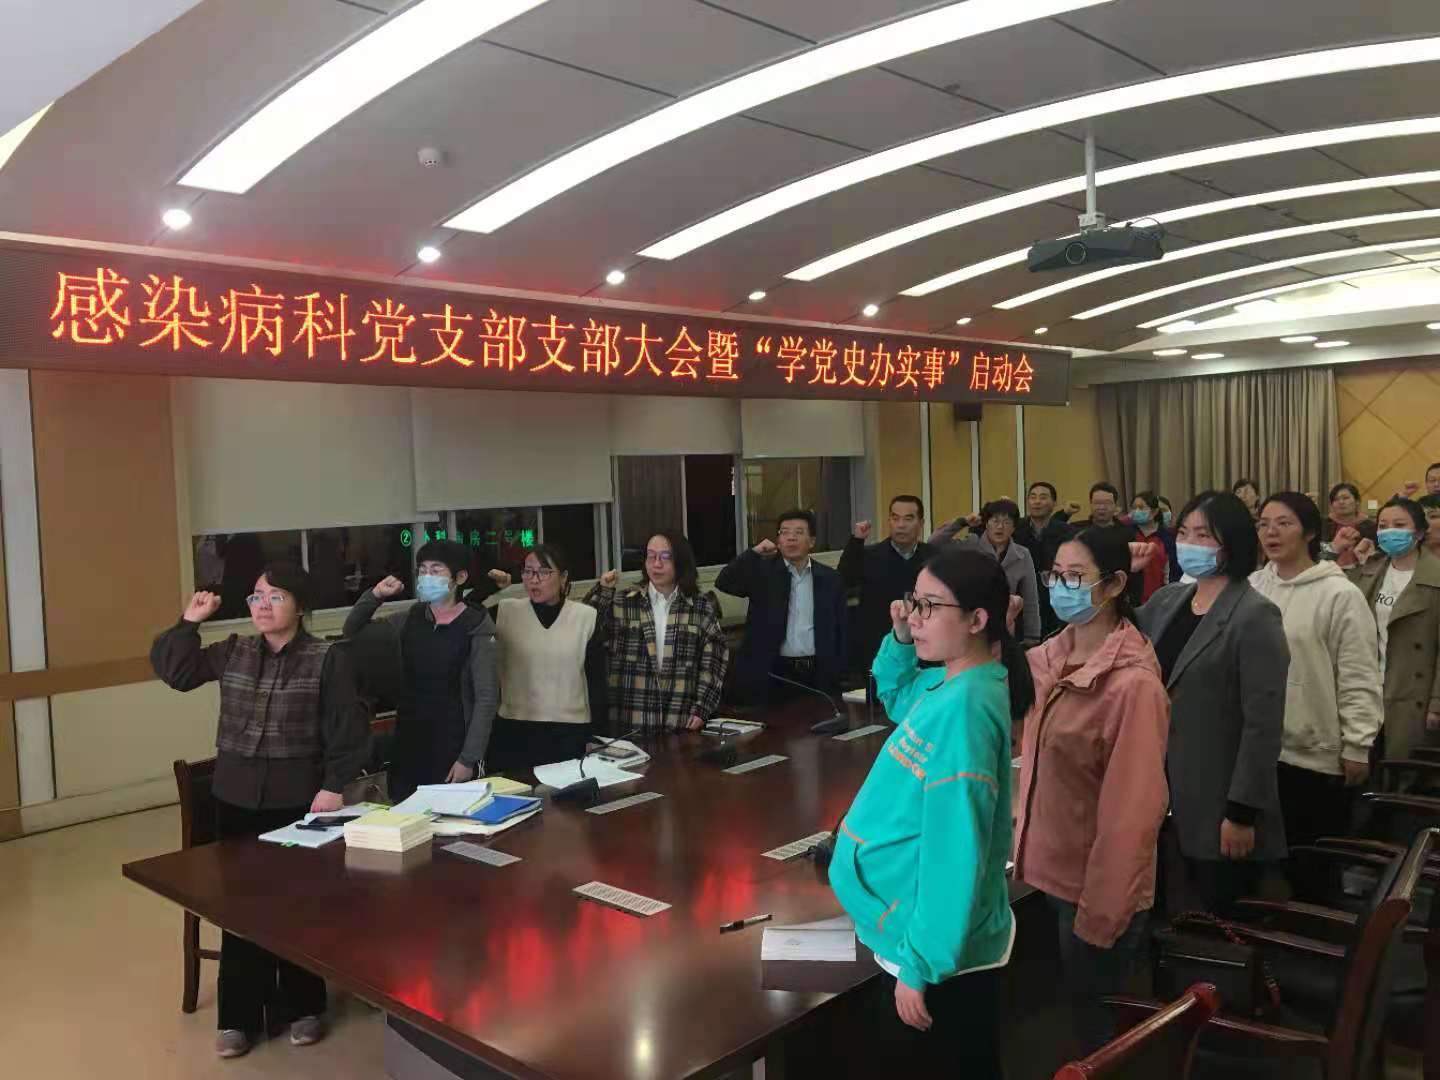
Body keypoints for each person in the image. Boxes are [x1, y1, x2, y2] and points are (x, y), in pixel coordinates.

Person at [150, 563, 371, 1059]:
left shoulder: (327, 658)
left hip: (298, 800)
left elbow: (349, 728)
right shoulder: (234, 650)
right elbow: (176, 673)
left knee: (297, 904)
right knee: (240, 906)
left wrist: (334, 785)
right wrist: (189, 622)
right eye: (255, 596)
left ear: (300, 605)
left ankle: (304, 1005)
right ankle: (238, 1016)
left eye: (275, 596)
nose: (262, 606)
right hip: (235, 797)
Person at [828, 548, 1034, 1075]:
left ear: (977, 620)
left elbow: (954, 852)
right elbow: (896, 695)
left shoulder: (967, 711)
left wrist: (919, 964)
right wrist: (901, 640)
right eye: (912, 602)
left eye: (929, 607)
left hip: (933, 958)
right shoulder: (952, 680)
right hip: (915, 936)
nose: (914, 617)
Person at [1015, 527, 1169, 1054]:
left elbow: (1133, 814)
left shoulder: (1133, 685)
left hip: (1096, 892)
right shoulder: (1048, 659)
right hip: (1048, 875)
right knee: (1063, 1018)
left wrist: (1103, 910)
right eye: (1055, 575)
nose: (1062, 587)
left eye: (1075, 577)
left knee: (1097, 1033)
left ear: (1114, 584)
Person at [1133, 491, 1289, 914]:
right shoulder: (1169, 601)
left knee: (1217, 913)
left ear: (1231, 544)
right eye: (1184, 533)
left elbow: (1262, 726)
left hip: (1218, 796)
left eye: (1203, 535)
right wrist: (1121, 575)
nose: (1190, 544)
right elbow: (1115, 636)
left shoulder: (1255, 615)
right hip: (1160, 787)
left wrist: (1241, 813)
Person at [1248, 494, 1381, 863]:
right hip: (1257, 751)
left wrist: (1357, 745)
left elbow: (1358, 674)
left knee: (1310, 864)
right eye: (1263, 524)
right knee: (1258, 865)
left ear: (1309, 532)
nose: (1271, 532)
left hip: (1312, 757)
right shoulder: (1252, 587)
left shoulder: (1339, 594)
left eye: (1284, 523)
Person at [342, 540, 498, 803]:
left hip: (453, 742)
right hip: (410, 739)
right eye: (422, 570)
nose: (426, 577)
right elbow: (352, 630)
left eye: (436, 570)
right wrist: (376, 595)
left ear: (460, 578)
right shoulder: (411, 618)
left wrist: (468, 758)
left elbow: (486, 698)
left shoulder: (476, 625)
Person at [583, 531, 729, 733]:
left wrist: (702, 708)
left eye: (665, 557)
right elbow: (584, 630)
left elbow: (713, 662)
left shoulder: (700, 607)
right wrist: (603, 591)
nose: (656, 564)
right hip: (629, 722)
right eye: (651, 556)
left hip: (680, 722)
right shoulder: (624, 602)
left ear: (681, 561)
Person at [483, 544, 608, 770]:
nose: (534, 580)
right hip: (514, 731)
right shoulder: (505, 611)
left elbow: (597, 682)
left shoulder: (585, 617)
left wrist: (598, 735)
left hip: (569, 733)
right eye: (528, 572)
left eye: (544, 572)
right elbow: (460, 614)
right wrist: (488, 588)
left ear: (563, 577)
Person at [1345, 497, 1440, 764]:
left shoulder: (1435, 576)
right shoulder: (1371, 569)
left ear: (1418, 532)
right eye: (1383, 526)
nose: (1389, 532)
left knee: (1405, 769)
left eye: (1399, 525)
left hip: (1414, 692)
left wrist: (1437, 704)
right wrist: (1352, 559)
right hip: (1370, 686)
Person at [717, 509, 846, 705]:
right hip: (774, 672)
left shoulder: (830, 578)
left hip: (818, 672)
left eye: (798, 532)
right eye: (784, 532)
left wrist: (838, 671)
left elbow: (841, 628)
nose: (791, 538)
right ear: (778, 540)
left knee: (821, 721)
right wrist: (753, 553)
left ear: (812, 541)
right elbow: (724, 581)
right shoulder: (763, 573)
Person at [839, 495, 936, 671]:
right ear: (889, 521)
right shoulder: (869, 556)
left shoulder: (935, 558)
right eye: (895, 518)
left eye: (908, 519)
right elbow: (844, 580)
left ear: (921, 523)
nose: (901, 525)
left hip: (925, 649)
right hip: (878, 650)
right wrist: (856, 541)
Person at [931, 499, 1042, 642]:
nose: (1000, 527)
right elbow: (934, 543)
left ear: (1014, 527)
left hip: (1005, 629)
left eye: (1007, 522)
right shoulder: (971, 545)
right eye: (995, 521)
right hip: (971, 626)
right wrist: (962, 522)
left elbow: (1031, 599)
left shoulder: (1022, 555)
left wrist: (1032, 637)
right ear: (986, 524)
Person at [1016, 481, 1080, 636]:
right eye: (1033, 497)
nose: (1037, 502)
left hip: (1055, 600)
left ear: (1054, 503)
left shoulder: (1067, 532)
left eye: (1043, 497)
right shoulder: (1016, 529)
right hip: (1023, 601)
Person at [1127, 490, 1175, 603]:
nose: (1136, 511)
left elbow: (1172, 571)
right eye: (1134, 508)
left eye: (1141, 507)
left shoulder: (1167, 538)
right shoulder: (1126, 534)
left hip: (1160, 599)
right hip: (1131, 599)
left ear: (1154, 512)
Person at [1319, 482, 1376, 565]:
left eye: (1346, 498)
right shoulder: (1322, 525)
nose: (1341, 502)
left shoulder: (1371, 526)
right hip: (1328, 568)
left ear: (1357, 501)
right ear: (1331, 505)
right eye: (1336, 499)